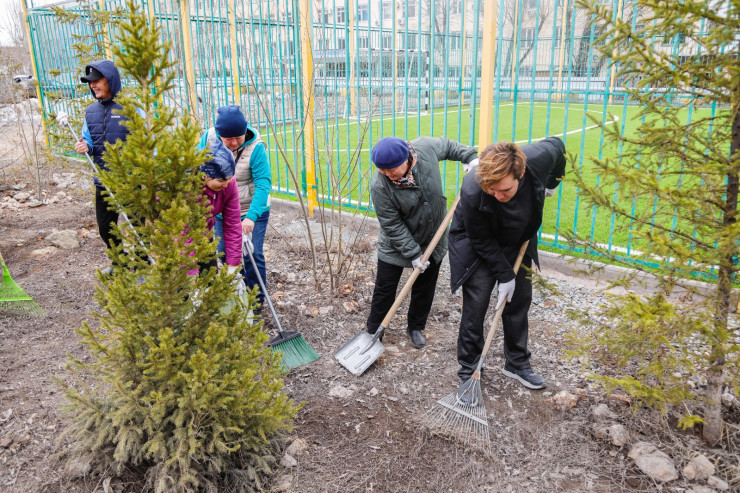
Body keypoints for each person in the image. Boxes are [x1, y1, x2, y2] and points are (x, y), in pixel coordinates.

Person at [449, 137, 565, 395]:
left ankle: (516, 363)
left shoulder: (537, 159)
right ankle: (469, 370)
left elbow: (558, 147)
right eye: (492, 190)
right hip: (478, 243)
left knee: (519, 301)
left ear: (520, 173)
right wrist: (504, 275)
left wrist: (551, 183)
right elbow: (480, 239)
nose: (498, 196)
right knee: (476, 304)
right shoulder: (473, 188)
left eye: (505, 190)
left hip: (518, 238)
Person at [367, 136, 479, 348]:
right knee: (384, 289)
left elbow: (449, 146)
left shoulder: (425, 149)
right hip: (395, 244)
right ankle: (373, 332)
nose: (387, 174)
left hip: (432, 237)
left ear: (406, 158)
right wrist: (413, 253)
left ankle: (416, 327)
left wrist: (470, 157)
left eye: (391, 169)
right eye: (382, 169)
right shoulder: (380, 186)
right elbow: (392, 224)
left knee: (425, 286)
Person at [198, 105, 271, 310]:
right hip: (221, 208)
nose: (233, 143)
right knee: (223, 252)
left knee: (252, 254)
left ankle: (255, 303)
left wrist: (251, 217)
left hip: (251, 209)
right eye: (228, 139)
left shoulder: (255, 147)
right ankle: (236, 297)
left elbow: (263, 183)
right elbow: (195, 167)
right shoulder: (208, 138)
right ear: (218, 134)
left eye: (238, 138)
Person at [74, 60, 131, 273]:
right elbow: (88, 140)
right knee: (106, 227)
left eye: (97, 80)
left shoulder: (131, 109)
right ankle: (119, 263)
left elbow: (147, 142)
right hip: (103, 181)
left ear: (110, 80)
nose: (93, 85)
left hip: (130, 181)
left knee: (138, 226)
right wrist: (84, 146)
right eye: (90, 82)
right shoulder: (91, 112)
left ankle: (143, 266)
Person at [198, 139, 244, 285]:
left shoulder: (229, 184)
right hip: (177, 241)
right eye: (220, 180)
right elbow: (183, 230)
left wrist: (233, 266)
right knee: (183, 292)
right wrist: (189, 274)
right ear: (205, 175)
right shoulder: (188, 187)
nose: (225, 185)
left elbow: (232, 224)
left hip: (205, 235)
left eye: (228, 179)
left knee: (210, 282)